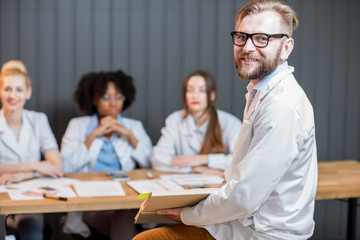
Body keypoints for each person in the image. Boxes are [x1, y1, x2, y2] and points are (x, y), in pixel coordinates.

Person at [133, 0, 318, 239]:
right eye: (242, 36)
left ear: (286, 48)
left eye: (262, 38)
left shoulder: (281, 106)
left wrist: (187, 214)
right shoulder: (260, 93)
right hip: (243, 223)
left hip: (264, 233)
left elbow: (244, 196)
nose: (248, 47)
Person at [61, 70, 152, 240]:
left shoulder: (134, 126)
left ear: (125, 99)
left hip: (127, 200)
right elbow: (64, 166)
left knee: (125, 214)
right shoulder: (78, 126)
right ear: (94, 100)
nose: (113, 104)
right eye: (106, 97)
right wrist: (94, 135)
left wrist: (129, 135)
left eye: (118, 97)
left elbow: (152, 163)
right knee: (124, 219)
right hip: (92, 203)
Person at [0, 60, 63, 240]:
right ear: (0, 91)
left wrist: (24, 175)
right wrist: (36, 165)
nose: (13, 95)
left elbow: (57, 167)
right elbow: (45, 166)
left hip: (29, 198)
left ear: (28, 92)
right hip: (2, 198)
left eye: (19, 89)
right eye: (7, 89)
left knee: (32, 232)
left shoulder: (38, 120)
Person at [150, 69, 242, 177]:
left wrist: (203, 159)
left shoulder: (230, 123)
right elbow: (157, 158)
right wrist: (194, 169)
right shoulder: (175, 120)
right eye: (190, 90)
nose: (195, 96)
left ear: (212, 95)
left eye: (202, 90)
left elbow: (240, 160)